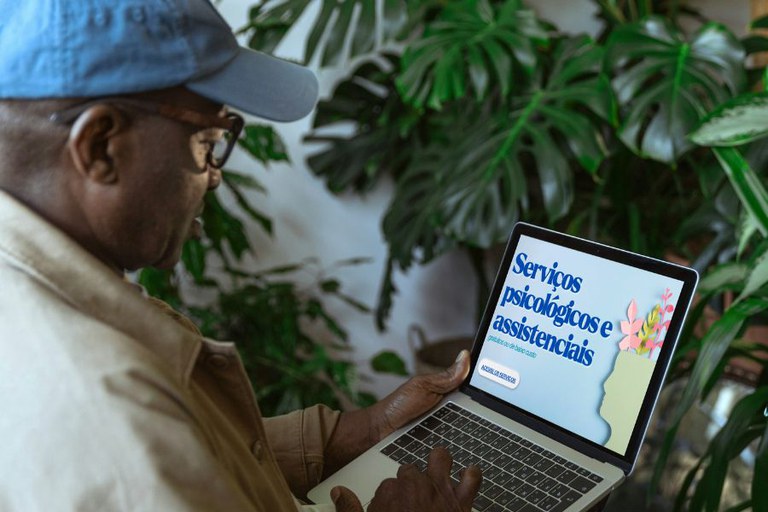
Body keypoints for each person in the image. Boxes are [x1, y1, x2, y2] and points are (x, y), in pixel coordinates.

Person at [0, 0, 482, 511]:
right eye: (208, 141)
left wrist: (361, 432)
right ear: (101, 147)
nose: (214, 176)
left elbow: (190, 452)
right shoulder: (113, 424)